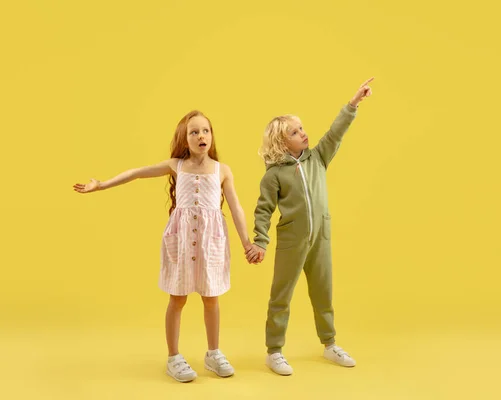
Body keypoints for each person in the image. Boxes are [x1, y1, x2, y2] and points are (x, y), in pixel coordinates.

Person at [74, 110, 253, 382]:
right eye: (194, 132)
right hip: (181, 241)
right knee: (177, 298)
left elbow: (236, 207)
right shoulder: (176, 165)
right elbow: (136, 173)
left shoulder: (222, 170)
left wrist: (246, 243)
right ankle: (173, 357)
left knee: (211, 298)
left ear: (212, 136)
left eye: (205, 130)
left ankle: (213, 353)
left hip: (210, 241)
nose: (200, 135)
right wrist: (101, 185)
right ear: (185, 139)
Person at [245, 78, 375, 375]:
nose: (303, 133)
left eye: (302, 128)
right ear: (281, 142)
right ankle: (274, 350)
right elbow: (263, 210)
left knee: (323, 291)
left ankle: (329, 344)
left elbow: (335, 133)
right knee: (282, 294)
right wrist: (260, 241)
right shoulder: (274, 176)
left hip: (321, 237)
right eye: (295, 132)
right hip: (292, 240)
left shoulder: (317, 158)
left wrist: (353, 103)